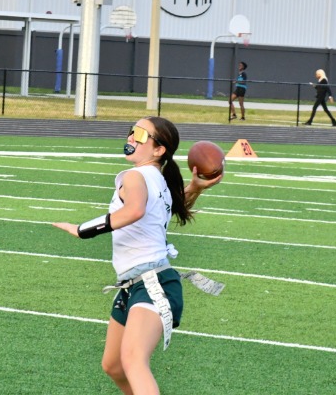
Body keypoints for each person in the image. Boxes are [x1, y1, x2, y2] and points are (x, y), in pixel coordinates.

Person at [53, 116, 222, 394]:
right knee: (114, 366)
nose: (132, 137)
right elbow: (158, 209)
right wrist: (194, 189)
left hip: (153, 283)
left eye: (141, 135)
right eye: (132, 131)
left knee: (133, 360)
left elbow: (134, 211)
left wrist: (82, 230)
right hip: (134, 284)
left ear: (159, 150)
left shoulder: (135, 176)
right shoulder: (155, 178)